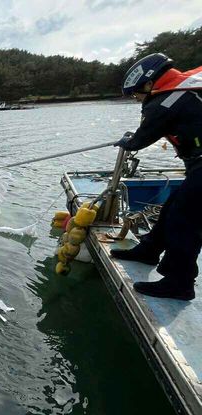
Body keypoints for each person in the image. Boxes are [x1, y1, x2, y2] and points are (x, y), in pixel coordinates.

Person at [111, 53, 202, 300]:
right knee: (173, 206)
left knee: (184, 221)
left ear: (150, 84)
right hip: (198, 166)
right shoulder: (187, 88)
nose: (136, 99)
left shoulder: (164, 103)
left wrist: (127, 142)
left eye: (136, 94)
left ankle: (180, 284)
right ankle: (148, 250)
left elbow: (140, 139)